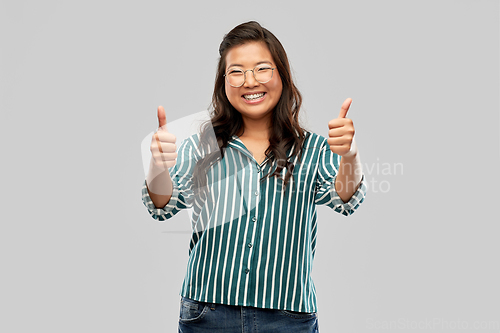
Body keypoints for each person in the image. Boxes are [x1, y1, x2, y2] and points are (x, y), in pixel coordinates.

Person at [142, 21, 366, 333]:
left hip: (288, 317)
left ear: (281, 76)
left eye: (262, 68)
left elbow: (346, 198)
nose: (250, 81)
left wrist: (351, 156)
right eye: (236, 71)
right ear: (224, 82)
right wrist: (157, 166)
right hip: (208, 314)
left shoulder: (312, 148)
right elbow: (163, 204)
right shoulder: (202, 145)